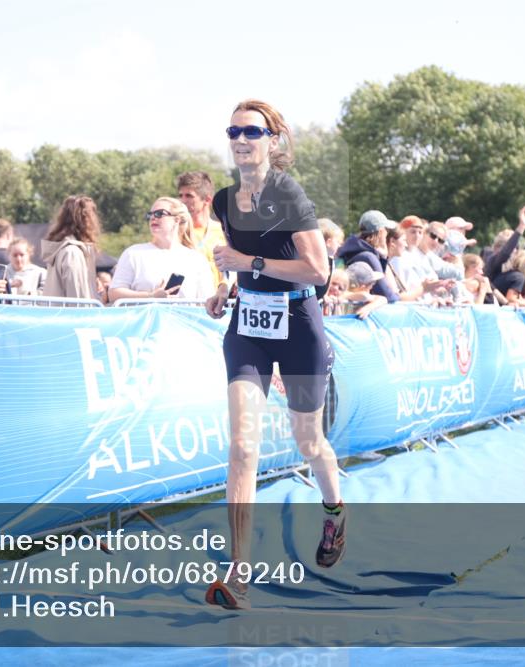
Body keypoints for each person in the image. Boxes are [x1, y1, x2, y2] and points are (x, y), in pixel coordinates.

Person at [204, 99, 343, 610]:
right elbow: (231, 259)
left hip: (300, 324)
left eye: (252, 132)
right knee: (242, 446)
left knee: (309, 442)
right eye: (234, 131)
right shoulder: (222, 201)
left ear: (272, 140)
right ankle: (238, 572)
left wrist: (251, 262)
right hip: (250, 327)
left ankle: (333, 510)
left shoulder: (287, 193)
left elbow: (317, 270)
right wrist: (228, 286)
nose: (242, 139)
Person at [108, 197, 215, 301]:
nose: (153, 217)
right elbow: (113, 293)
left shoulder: (196, 259)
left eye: (159, 214)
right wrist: (150, 296)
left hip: (182, 319)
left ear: (177, 220)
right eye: (150, 214)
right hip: (145, 319)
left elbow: (207, 301)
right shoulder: (133, 253)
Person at [41, 195, 103, 301]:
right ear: (87, 219)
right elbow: (77, 300)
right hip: (71, 316)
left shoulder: (63, 249)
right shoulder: (72, 253)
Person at [336, 210, 401, 304]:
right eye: (386, 230)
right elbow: (387, 295)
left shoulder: (353, 250)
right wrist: (398, 296)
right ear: (381, 232)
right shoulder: (368, 257)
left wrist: (383, 258)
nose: (387, 234)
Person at [177, 171, 227, 287]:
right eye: (180, 196)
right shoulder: (175, 232)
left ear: (207, 200)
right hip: (187, 301)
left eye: (189, 196)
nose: (183, 201)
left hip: (219, 300)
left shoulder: (223, 231)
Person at [482, 206, 525, 283]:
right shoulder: (492, 261)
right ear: (496, 248)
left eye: (516, 248)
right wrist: (522, 227)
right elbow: (505, 253)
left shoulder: (514, 267)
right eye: (511, 247)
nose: (514, 250)